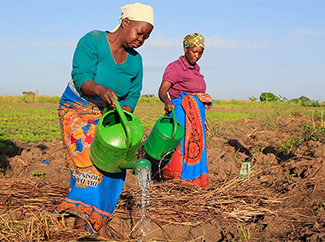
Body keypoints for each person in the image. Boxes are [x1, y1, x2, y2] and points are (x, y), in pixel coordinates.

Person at [55, 3, 154, 239]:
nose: (141, 39)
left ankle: (100, 222)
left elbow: (133, 93)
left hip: (109, 117)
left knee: (114, 167)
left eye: (146, 37)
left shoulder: (135, 61)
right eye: (139, 32)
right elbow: (81, 77)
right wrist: (100, 90)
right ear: (125, 22)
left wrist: (124, 116)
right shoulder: (94, 41)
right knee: (90, 165)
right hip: (77, 109)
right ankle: (82, 225)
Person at [158, 33, 213, 189]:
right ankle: (176, 183)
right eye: (194, 51)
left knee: (196, 148)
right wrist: (167, 101)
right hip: (181, 113)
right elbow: (162, 90)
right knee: (181, 148)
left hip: (196, 117)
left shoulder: (196, 70)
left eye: (200, 52)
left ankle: (195, 182)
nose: (197, 56)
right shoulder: (175, 67)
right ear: (185, 48)